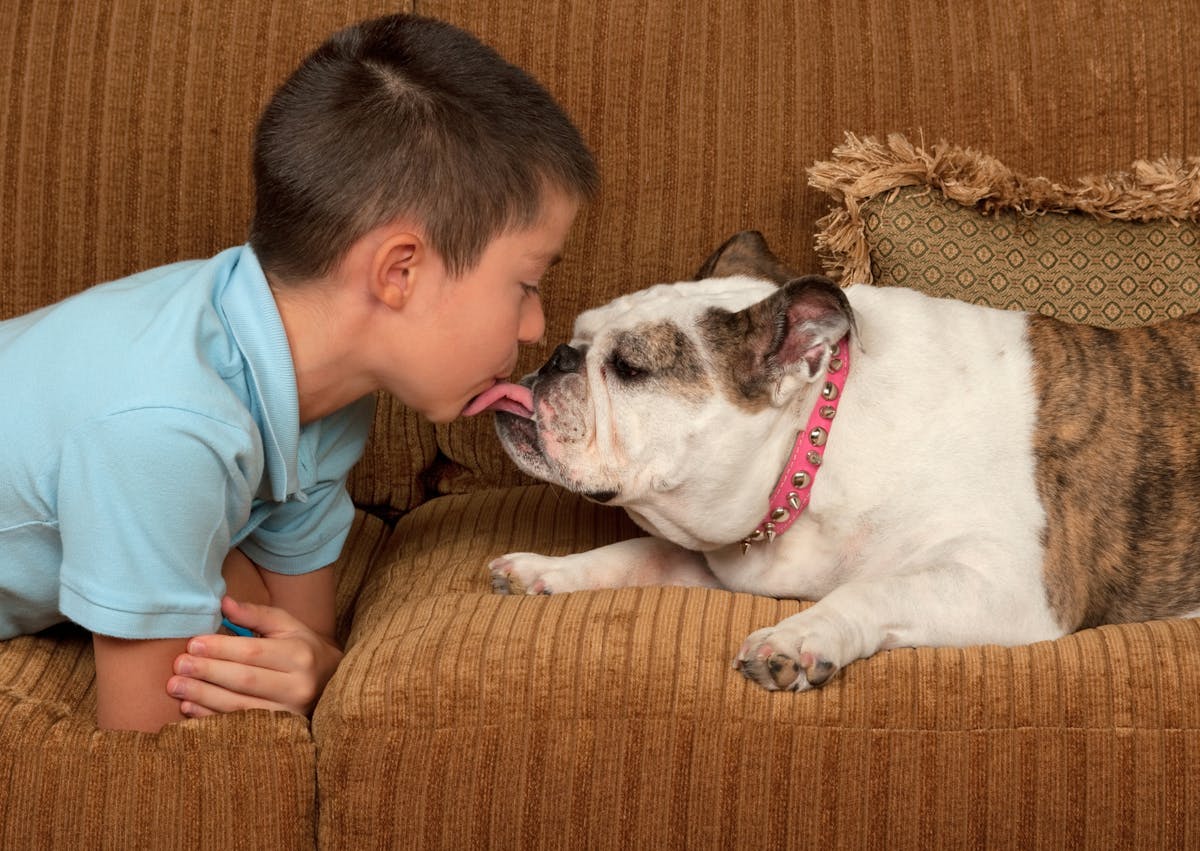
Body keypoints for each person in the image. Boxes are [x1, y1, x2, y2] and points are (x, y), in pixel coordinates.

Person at [0, 13, 597, 732]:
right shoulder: (164, 430)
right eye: (527, 285)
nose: (535, 326)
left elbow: (296, 638)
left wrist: (320, 667)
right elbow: (145, 745)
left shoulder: (324, 390)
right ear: (399, 271)